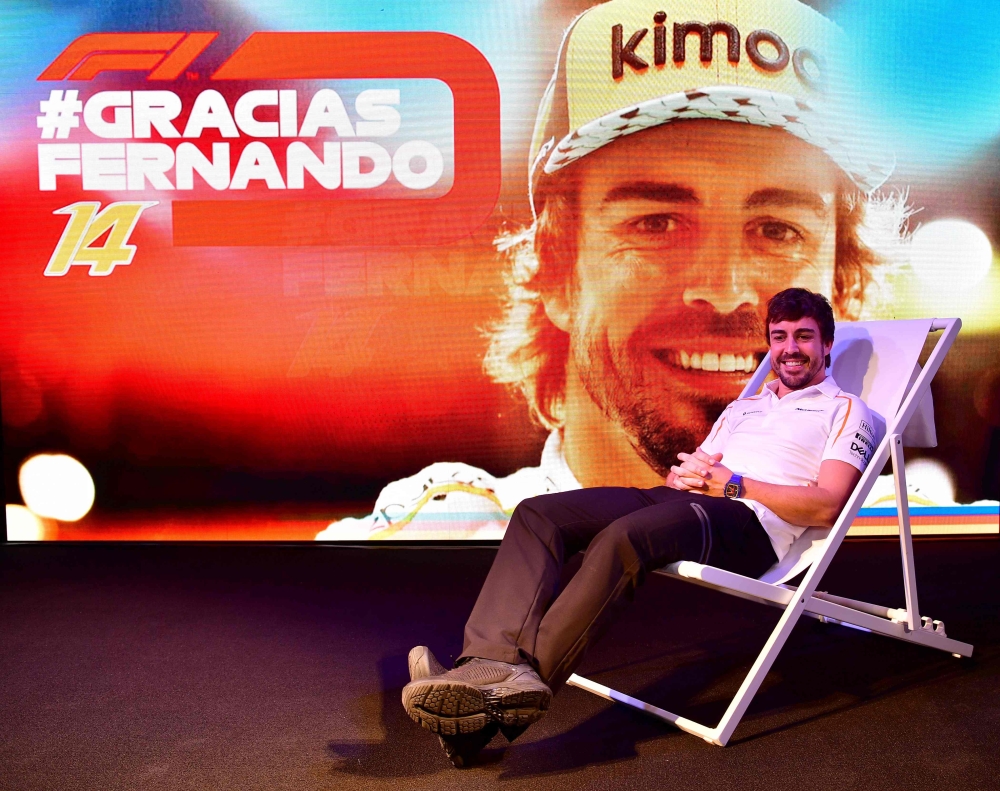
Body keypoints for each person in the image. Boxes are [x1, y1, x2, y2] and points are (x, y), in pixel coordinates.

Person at [315, 0, 904, 542]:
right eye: (656, 223)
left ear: (841, 289)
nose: (724, 291)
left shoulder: (911, 548)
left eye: (778, 231)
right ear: (556, 272)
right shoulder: (411, 553)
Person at [401, 287, 881, 765]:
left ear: (826, 345)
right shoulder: (747, 404)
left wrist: (733, 485)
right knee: (537, 514)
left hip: (748, 524)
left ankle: (493, 695)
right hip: (686, 500)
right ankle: (484, 666)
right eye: (780, 337)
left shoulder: (847, 411)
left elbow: (827, 506)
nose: (790, 349)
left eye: (804, 337)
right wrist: (687, 475)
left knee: (623, 540)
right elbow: (702, 463)